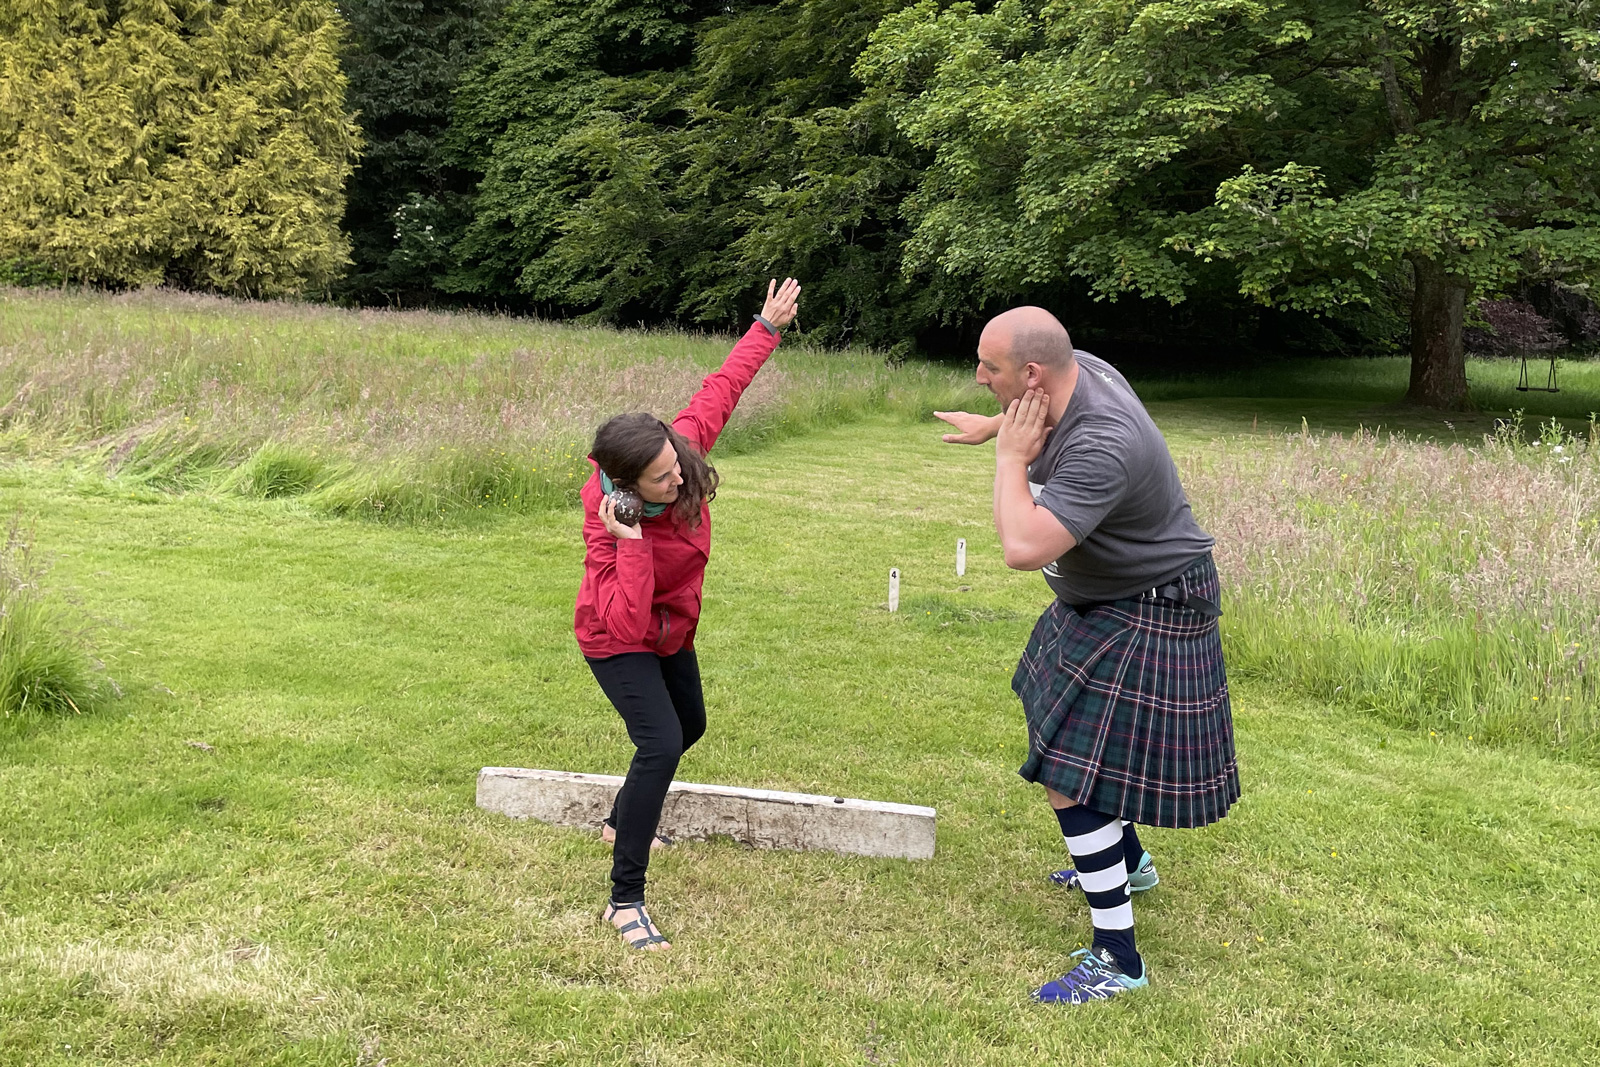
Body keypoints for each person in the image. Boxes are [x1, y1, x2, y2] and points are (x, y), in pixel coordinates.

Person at [935, 307, 1239, 1004]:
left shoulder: (1105, 439)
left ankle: (1118, 957)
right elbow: (1042, 438)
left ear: (1032, 372)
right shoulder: (1077, 373)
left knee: (1068, 767)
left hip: (1153, 601)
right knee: (1053, 716)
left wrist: (1008, 459)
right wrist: (995, 428)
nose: (980, 376)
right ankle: (1127, 862)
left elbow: (1023, 546)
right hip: (1108, 597)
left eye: (991, 368)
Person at [574, 277, 802, 950]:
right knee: (661, 740)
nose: (678, 479)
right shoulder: (607, 519)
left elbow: (720, 389)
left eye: (676, 465)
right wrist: (632, 543)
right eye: (663, 480)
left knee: (690, 724)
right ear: (626, 486)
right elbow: (622, 621)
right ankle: (624, 900)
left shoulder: (676, 452)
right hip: (616, 636)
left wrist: (766, 325)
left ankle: (621, 818)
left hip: (672, 630)